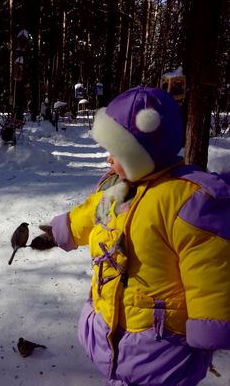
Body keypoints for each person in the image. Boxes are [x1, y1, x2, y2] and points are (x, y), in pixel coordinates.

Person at [30, 86, 230, 386]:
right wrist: (62, 231)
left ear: (143, 155)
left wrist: (210, 327)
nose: (109, 158)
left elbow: (210, 267)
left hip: (160, 345)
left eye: (118, 151)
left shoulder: (187, 201)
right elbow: (91, 213)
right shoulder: (118, 190)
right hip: (113, 327)